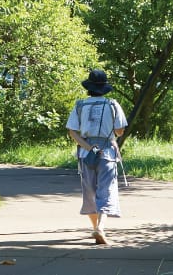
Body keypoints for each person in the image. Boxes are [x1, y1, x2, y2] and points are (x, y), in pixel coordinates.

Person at [65, 68, 128, 245]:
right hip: (107, 152)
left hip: (87, 154)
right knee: (106, 190)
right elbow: (119, 130)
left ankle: (95, 228)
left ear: (89, 87)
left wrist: (88, 146)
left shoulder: (80, 105)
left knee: (90, 191)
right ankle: (100, 227)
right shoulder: (112, 104)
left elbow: (72, 132)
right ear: (104, 87)